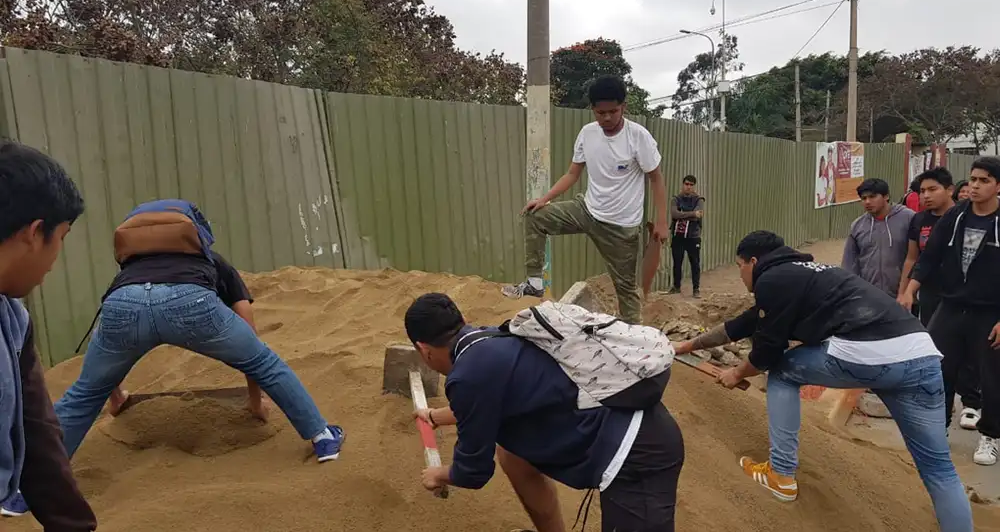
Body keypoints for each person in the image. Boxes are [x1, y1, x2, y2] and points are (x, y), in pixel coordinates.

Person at [674, 230, 972, 531]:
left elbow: (767, 352)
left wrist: (735, 373)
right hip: (921, 354)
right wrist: (689, 346)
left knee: (783, 371)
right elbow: (746, 323)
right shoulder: (805, 274)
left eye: (739, 266)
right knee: (939, 469)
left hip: (868, 352)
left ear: (753, 261)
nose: (740, 275)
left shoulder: (772, 279)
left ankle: (781, 475)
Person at [51, 200, 345, 464]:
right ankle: (322, 438)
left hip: (123, 305)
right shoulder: (211, 261)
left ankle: (28, 488)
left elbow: (104, 345)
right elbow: (246, 323)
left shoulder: (128, 275)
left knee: (85, 392)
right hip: (191, 301)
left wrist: (115, 399)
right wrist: (255, 399)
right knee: (266, 362)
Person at [404, 293, 684, 532]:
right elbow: (491, 401)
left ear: (423, 349)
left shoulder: (466, 376)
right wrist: (437, 417)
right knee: (513, 455)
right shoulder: (493, 339)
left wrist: (439, 475)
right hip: (639, 429)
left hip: (635, 455)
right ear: (462, 320)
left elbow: (473, 472)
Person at [502, 75, 669, 324]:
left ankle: (633, 340)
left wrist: (662, 222)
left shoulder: (638, 137)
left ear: (623, 106)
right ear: (592, 109)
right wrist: (544, 199)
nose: (607, 118)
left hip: (621, 228)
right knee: (535, 217)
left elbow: (656, 178)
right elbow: (573, 173)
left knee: (626, 290)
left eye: (613, 111)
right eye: (600, 112)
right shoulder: (587, 134)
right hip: (587, 210)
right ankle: (535, 283)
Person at [0, 141, 97, 529]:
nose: (56, 261)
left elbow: (38, 431)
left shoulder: (13, 320)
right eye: (63, 237)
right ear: (35, 232)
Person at [900, 156, 1000, 466]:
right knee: (935, 365)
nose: (975, 185)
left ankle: (990, 436)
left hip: (990, 311)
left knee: (992, 375)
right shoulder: (956, 216)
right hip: (952, 304)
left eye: (984, 180)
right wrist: (909, 291)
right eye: (973, 179)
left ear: (998, 186)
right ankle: (936, 429)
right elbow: (928, 258)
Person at [897, 167, 982, 430]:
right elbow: (917, 258)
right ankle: (939, 413)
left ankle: (971, 402)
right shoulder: (920, 220)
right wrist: (905, 291)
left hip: (969, 295)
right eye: (922, 191)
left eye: (932, 189)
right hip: (933, 293)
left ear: (949, 190)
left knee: (971, 350)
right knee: (937, 350)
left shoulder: (967, 217)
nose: (926, 196)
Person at [842, 177, 914, 297]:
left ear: (886, 196)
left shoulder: (909, 218)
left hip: (903, 294)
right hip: (870, 296)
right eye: (864, 198)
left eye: (872, 196)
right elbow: (849, 263)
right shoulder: (858, 225)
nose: (867, 202)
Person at [668, 175, 705, 298]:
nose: (688, 187)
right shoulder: (676, 199)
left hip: (693, 237)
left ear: (694, 186)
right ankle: (676, 287)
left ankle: (696, 289)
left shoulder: (699, 200)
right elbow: (674, 214)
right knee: (677, 262)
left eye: (691, 185)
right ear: (683, 184)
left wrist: (682, 214)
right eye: (686, 184)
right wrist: (692, 214)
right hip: (678, 236)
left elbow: (699, 215)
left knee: (695, 263)